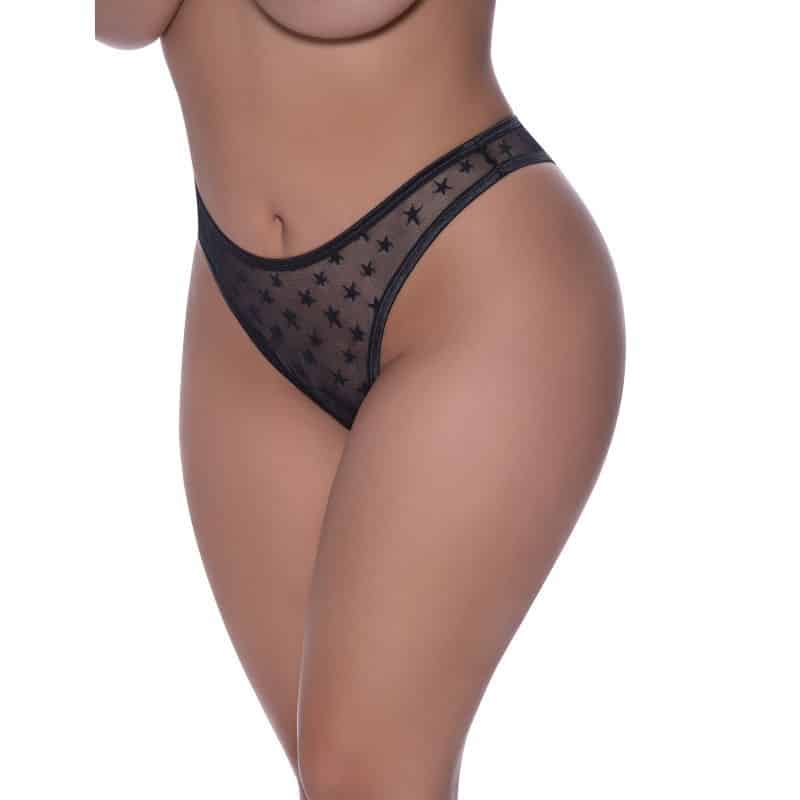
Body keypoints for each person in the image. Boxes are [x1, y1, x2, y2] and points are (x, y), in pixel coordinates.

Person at [96, 2, 626, 797]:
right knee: (341, 781)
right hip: (245, 314)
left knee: (366, 772)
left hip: (468, 279)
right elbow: (120, 19)